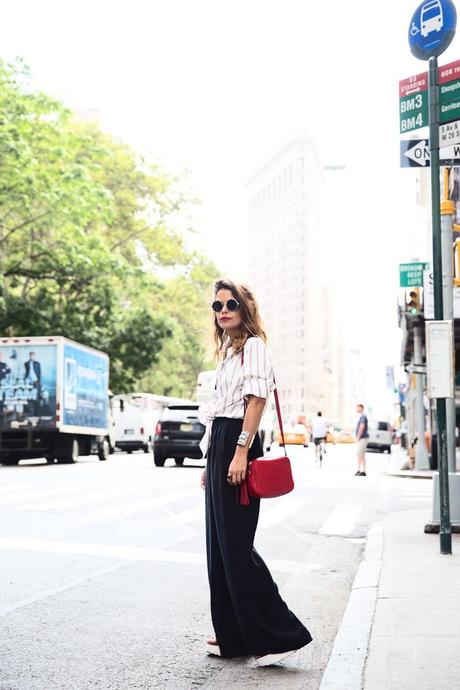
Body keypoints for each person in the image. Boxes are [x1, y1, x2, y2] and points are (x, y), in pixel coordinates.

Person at [198, 278, 312, 666]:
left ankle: (273, 633)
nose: (224, 310)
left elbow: (257, 400)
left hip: (238, 443)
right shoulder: (229, 353)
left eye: (231, 304)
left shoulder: (254, 348)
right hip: (221, 447)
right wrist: (209, 461)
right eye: (218, 306)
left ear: (245, 309)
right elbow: (218, 412)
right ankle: (233, 634)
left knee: (235, 547)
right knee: (218, 548)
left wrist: (240, 452)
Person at [355, 403, 369, 476]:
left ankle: (359, 470)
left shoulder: (363, 416)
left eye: (357, 408)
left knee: (360, 454)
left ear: (361, 408)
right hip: (363, 438)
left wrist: (358, 437)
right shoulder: (362, 416)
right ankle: (362, 470)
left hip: (362, 438)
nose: (356, 409)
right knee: (362, 454)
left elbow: (362, 427)